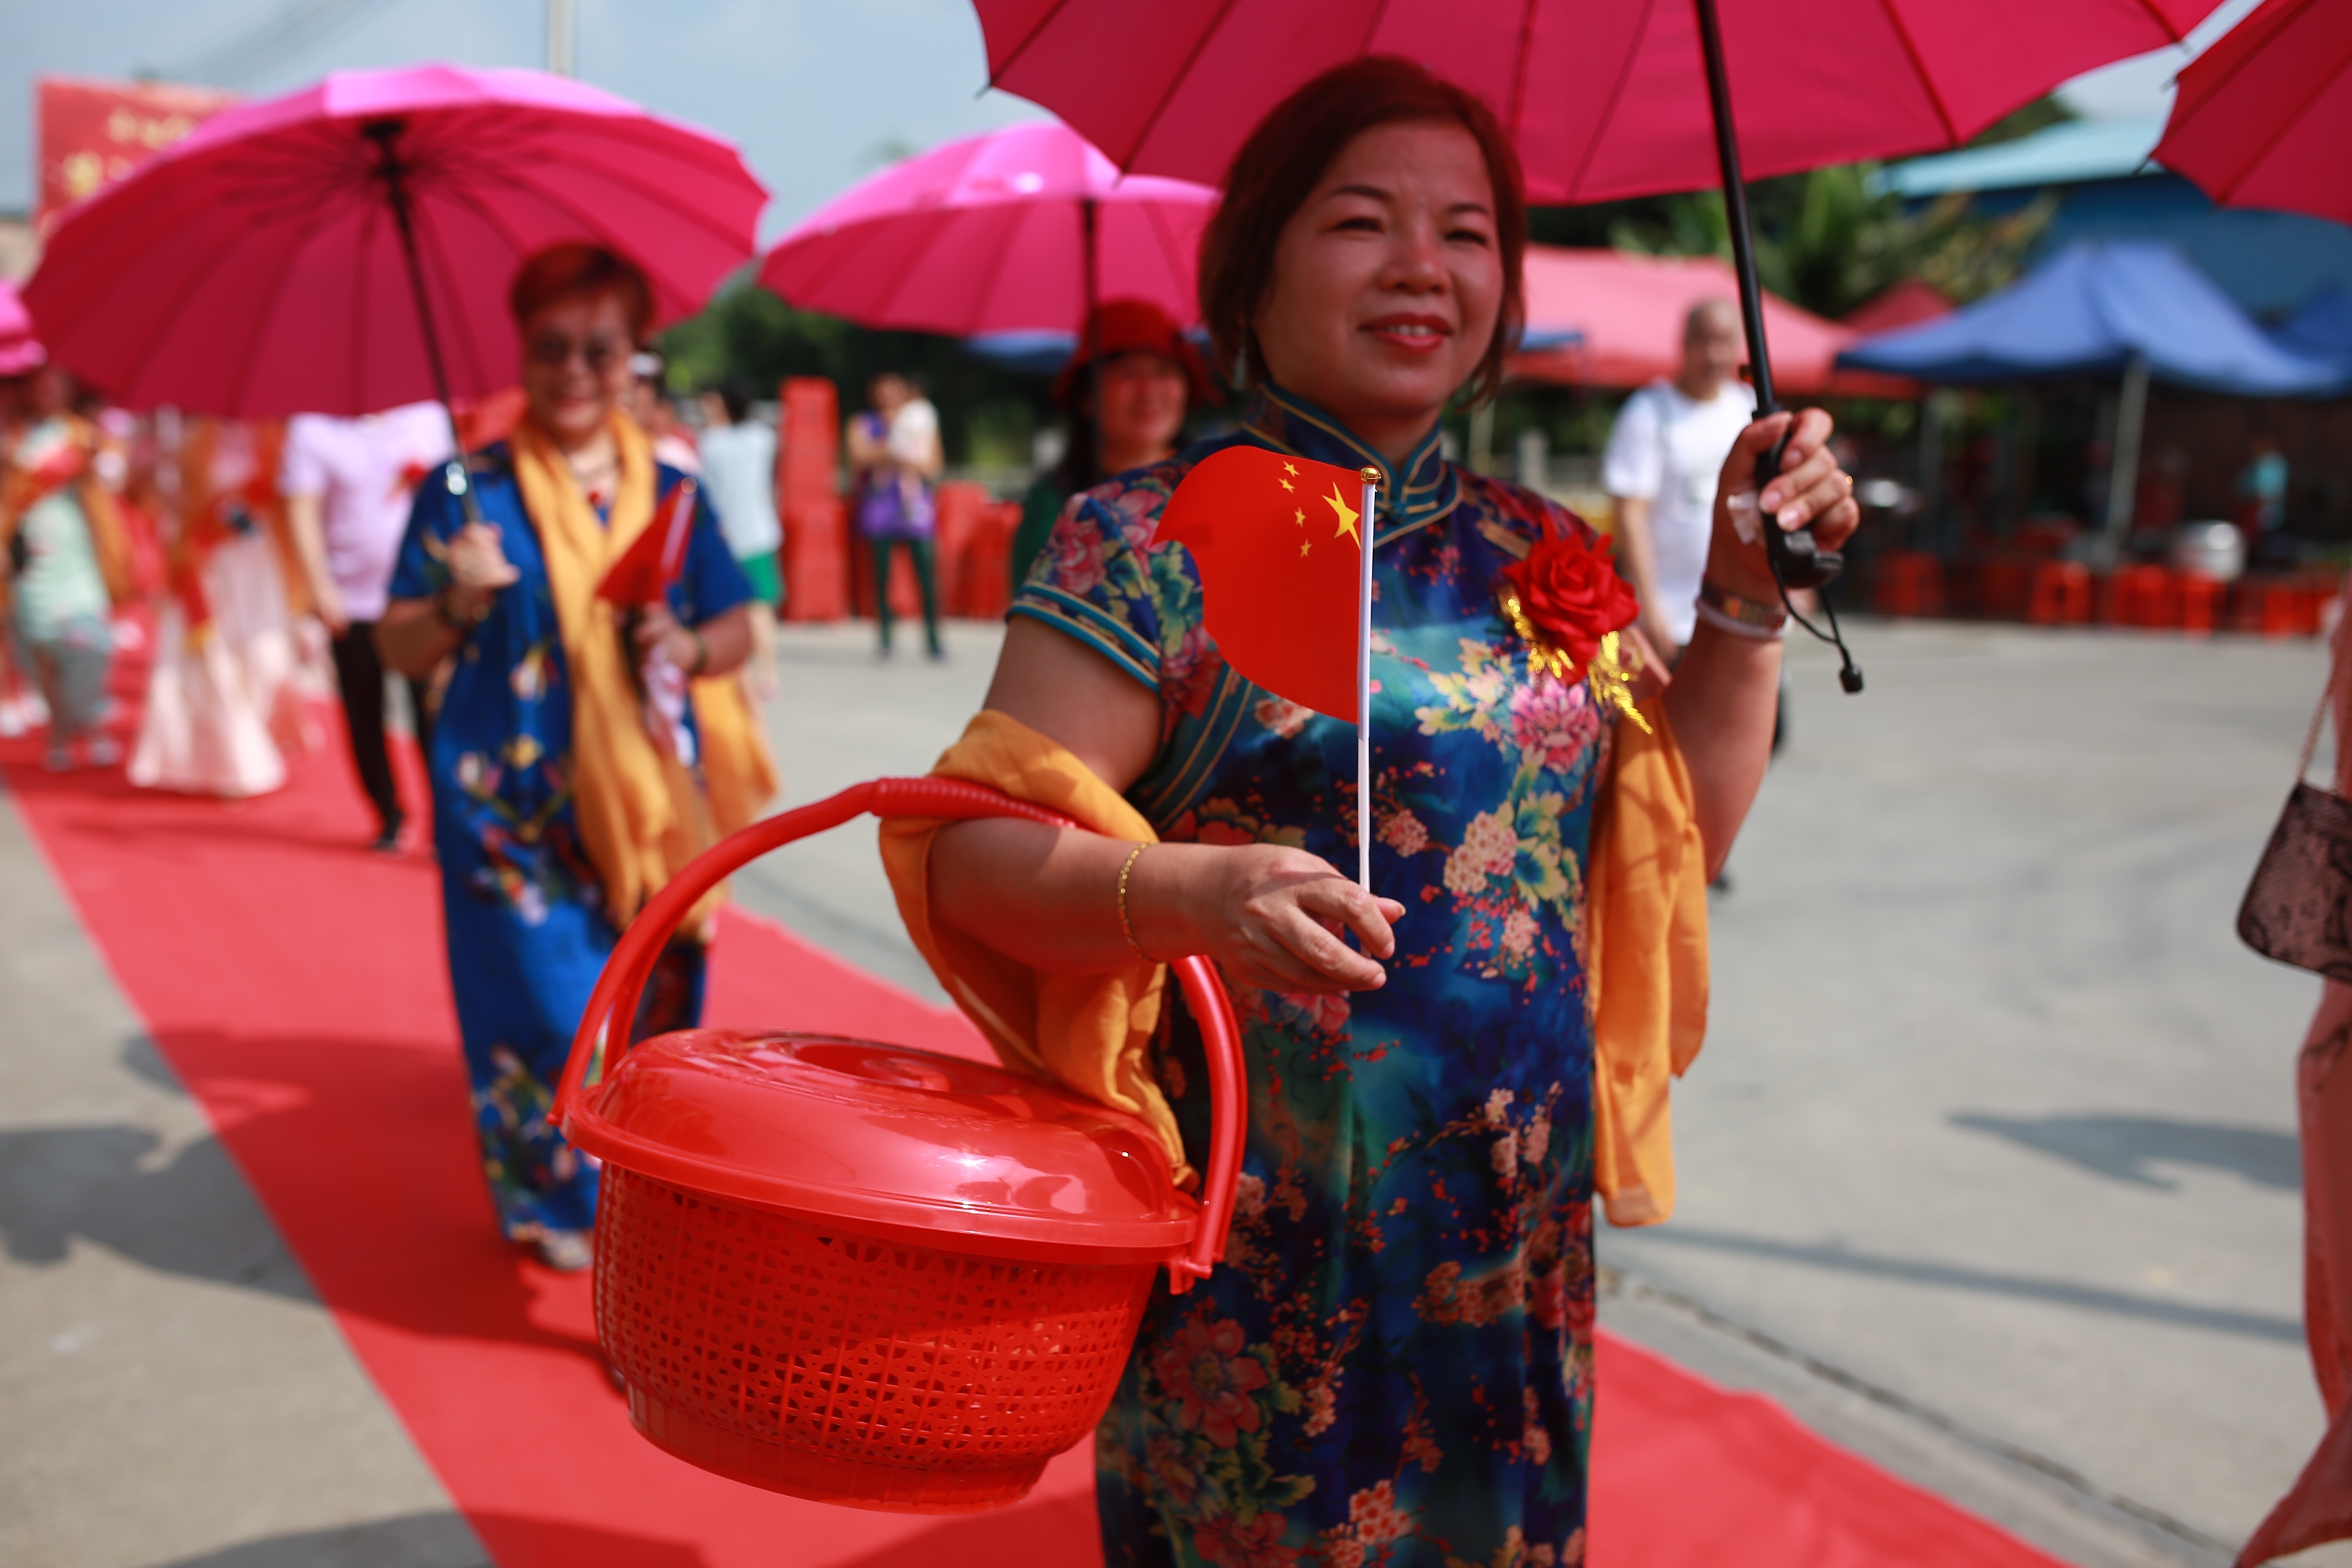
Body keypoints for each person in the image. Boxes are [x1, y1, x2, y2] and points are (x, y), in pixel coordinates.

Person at [891, 57, 1859, 1566]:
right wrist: (1191, 899)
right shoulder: (1147, 544)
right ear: (1253, 268)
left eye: (1466, 232)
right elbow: (973, 859)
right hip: (1258, 1254)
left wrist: (1740, 600)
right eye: (1361, 221)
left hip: (1512, 1243)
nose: (1422, 265)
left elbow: (1672, 851)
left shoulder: (1545, 551)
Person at [377, 243, 758, 1271]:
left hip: (649, 803)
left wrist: (682, 645)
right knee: (550, 1013)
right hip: (507, 808)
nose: (575, 369)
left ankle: (640, 1183)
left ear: (635, 353)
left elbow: (732, 628)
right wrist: (458, 598)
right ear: (521, 352)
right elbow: (396, 643)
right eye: (551, 347)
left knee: (652, 1018)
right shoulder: (466, 490)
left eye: (599, 347)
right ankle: (571, 1202)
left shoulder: (674, 491)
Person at [280, 401, 452, 852]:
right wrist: (319, 588)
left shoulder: (427, 418)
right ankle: (388, 812)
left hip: (419, 600)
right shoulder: (315, 427)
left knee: (432, 712)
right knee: (364, 711)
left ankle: (446, 816)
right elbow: (301, 508)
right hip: (351, 600)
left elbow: (452, 492)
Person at [131, 414, 323, 798]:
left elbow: (294, 502)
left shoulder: (277, 439)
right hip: (211, 566)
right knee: (216, 661)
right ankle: (237, 760)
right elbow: (166, 504)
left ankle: (260, 741)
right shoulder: (190, 442)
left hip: (261, 567)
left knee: (265, 660)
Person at [1011, 298, 1213, 587]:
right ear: (1088, 398)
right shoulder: (1055, 504)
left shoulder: (1213, 489)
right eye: (1129, 373)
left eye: (1164, 372)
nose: (1149, 390)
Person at [0, 365, 133, 770]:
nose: (48, 390)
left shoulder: (84, 435)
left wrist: (95, 464)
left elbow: (118, 487)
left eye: (57, 383)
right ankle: (60, 729)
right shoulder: (14, 434)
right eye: (41, 382)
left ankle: (91, 721)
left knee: (89, 642)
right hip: (31, 557)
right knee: (42, 646)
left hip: (78, 555)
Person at [846, 371, 943, 659]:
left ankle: (933, 638)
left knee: (926, 574)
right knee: (881, 576)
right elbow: (858, 457)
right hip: (880, 507)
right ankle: (886, 637)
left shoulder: (920, 422)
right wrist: (893, 444)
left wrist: (906, 453)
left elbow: (934, 465)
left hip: (915, 509)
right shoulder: (863, 423)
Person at [696, 381, 782, 700]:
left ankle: (740, 675)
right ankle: (769, 674)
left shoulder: (710, 443)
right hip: (760, 533)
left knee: (731, 610)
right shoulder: (763, 438)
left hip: (727, 536)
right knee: (761, 607)